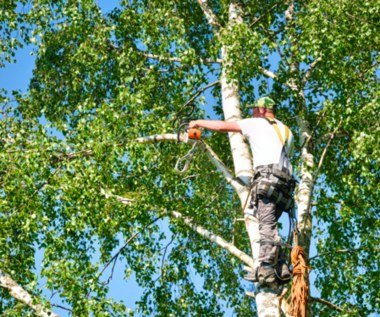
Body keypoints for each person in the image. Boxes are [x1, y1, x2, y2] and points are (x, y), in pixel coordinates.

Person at [189, 96, 294, 287]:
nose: (252, 112)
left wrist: (198, 122)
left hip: (268, 181)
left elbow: (223, 127)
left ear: (262, 110)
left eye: (255, 109)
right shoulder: (287, 131)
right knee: (271, 224)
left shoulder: (256, 123)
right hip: (285, 187)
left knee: (266, 224)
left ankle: (267, 269)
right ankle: (281, 265)